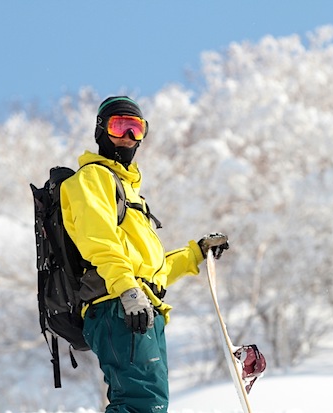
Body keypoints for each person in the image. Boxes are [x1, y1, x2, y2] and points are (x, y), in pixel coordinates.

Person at [60, 96, 229, 412]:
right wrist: (127, 289)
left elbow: (151, 271)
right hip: (118, 303)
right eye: (119, 126)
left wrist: (196, 253)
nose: (127, 137)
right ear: (100, 131)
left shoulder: (129, 192)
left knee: (150, 403)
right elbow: (99, 242)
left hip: (140, 305)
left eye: (136, 129)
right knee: (142, 403)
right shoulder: (93, 178)